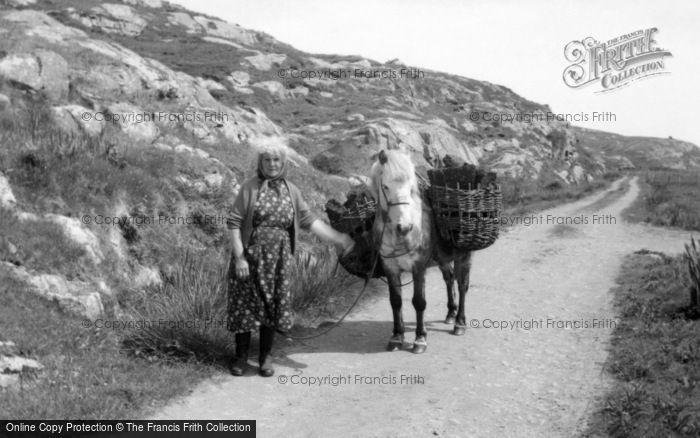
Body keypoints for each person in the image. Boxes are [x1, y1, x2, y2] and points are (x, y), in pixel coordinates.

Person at [226, 139, 355, 377]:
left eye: (276, 160)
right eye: (267, 159)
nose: (272, 164)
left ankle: (266, 356)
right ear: (260, 162)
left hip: (279, 261)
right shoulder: (249, 188)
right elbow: (234, 223)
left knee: (273, 307)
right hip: (250, 257)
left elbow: (309, 221)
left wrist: (337, 238)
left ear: (284, 163)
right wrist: (239, 258)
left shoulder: (291, 190)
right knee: (244, 306)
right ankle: (241, 356)